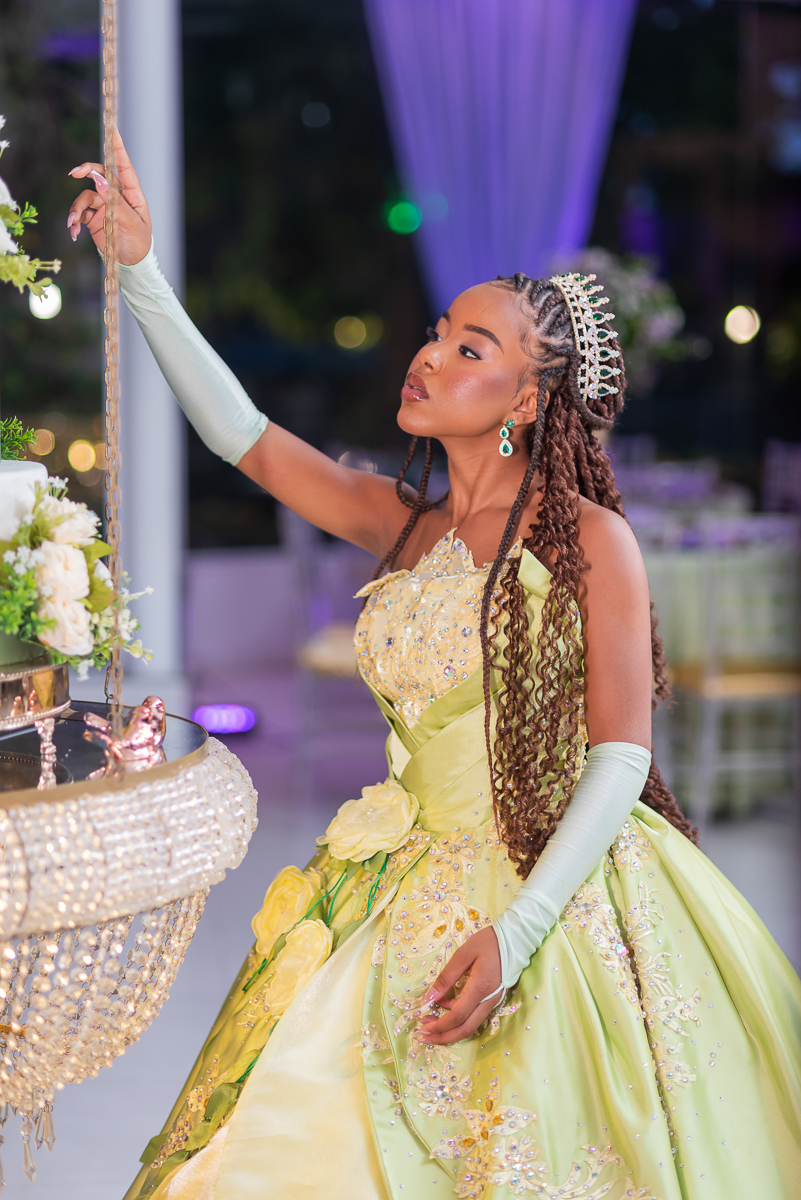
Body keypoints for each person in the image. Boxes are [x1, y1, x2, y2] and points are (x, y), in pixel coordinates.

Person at [68, 135, 801, 1200]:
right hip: (390, 880)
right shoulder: (398, 525)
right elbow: (245, 437)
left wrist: (518, 934)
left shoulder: (590, 541)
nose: (431, 355)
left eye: (470, 348)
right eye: (437, 333)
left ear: (525, 402)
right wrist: (140, 272)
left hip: (545, 888)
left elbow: (619, 757)